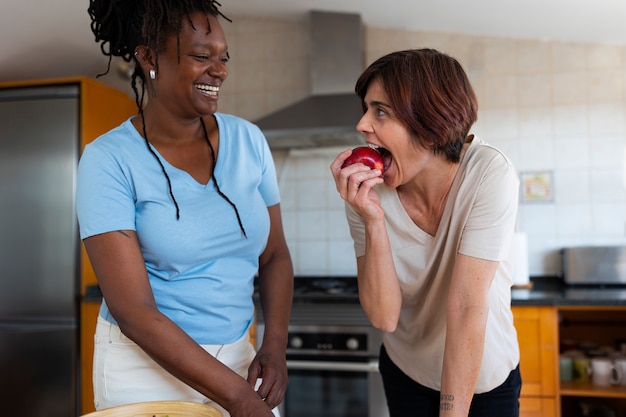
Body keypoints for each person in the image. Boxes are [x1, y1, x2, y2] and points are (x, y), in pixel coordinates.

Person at [77, 1, 293, 416]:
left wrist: (275, 344)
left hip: (240, 361)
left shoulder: (249, 141)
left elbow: (275, 254)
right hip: (143, 367)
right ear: (149, 57)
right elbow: (133, 311)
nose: (220, 70)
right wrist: (238, 399)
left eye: (223, 58)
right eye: (200, 56)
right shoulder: (108, 159)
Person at [330, 48, 522, 417]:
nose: (362, 125)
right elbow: (384, 317)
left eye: (381, 111)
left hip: (483, 378)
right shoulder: (365, 190)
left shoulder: (488, 173)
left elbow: (466, 307)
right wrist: (372, 220)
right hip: (407, 373)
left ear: (431, 127)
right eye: (366, 109)